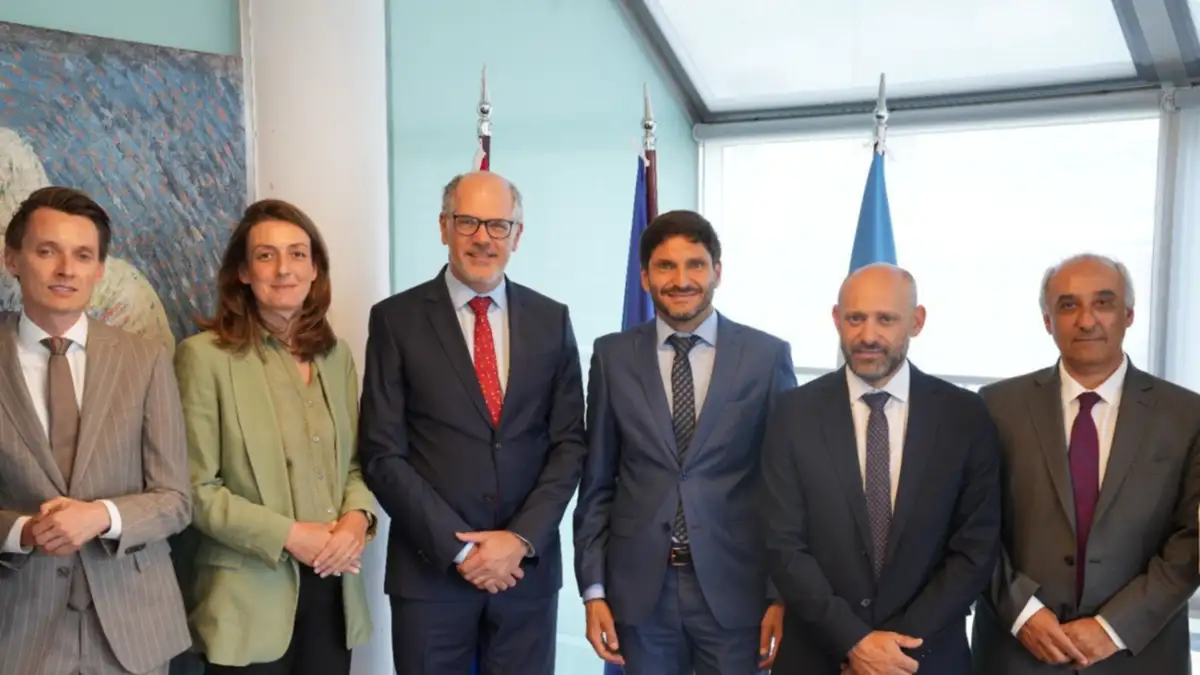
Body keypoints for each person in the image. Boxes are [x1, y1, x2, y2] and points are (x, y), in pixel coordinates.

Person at [358, 171, 586, 675]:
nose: (483, 238)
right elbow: (381, 453)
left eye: (498, 225)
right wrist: (460, 551)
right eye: (468, 222)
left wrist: (519, 540)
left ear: (517, 235)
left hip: (525, 576)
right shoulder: (395, 320)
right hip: (431, 574)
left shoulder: (552, 320)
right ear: (444, 226)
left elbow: (569, 444)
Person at [572, 210, 793, 674]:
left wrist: (779, 594)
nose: (681, 280)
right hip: (639, 593)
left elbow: (785, 488)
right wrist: (593, 591)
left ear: (717, 271)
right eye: (665, 266)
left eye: (695, 264)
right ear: (645, 277)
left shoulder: (765, 356)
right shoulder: (612, 356)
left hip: (736, 592)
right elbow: (597, 483)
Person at [760, 263, 1001, 674]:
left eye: (886, 319)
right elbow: (783, 544)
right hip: (818, 654)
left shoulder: (965, 415)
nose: (868, 335)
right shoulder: (793, 413)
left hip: (924, 656)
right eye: (855, 318)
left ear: (916, 321)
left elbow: (975, 549)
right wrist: (853, 642)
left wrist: (891, 651)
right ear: (836, 319)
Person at [971, 253, 1200, 674]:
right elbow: (972, 527)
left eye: (1104, 303)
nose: (1087, 320)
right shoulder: (995, 407)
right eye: (1068, 305)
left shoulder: (1187, 415)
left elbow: (1192, 541)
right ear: (1047, 321)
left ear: (1129, 315)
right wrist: (1022, 614)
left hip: (1140, 655)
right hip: (1015, 653)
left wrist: (1113, 628)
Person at [175, 199, 377, 675]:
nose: (284, 269)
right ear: (244, 272)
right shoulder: (203, 358)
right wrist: (289, 536)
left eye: (297, 254)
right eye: (266, 256)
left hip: (333, 592)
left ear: (315, 269)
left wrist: (357, 520)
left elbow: (355, 464)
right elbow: (194, 490)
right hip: (246, 600)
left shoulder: (337, 356)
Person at [0, 186, 192, 675]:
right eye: (47, 251)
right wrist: (24, 531)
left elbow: (175, 499)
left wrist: (101, 517)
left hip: (133, 629)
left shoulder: (144, 360)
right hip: (17, 628)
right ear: (12, 259)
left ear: (99, 269)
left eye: (83, 255)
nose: (66, 269)